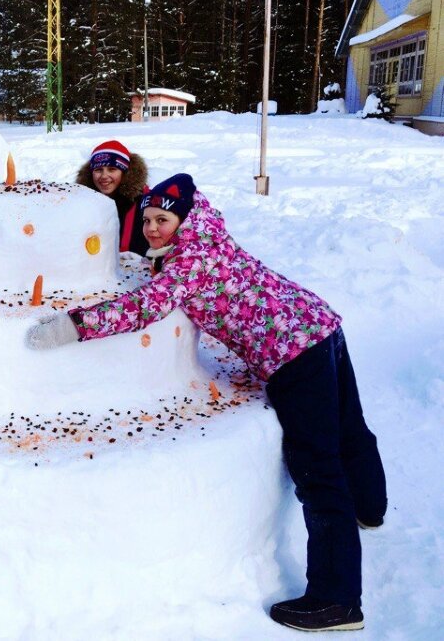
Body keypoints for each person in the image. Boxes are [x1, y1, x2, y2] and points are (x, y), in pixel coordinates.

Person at [26, 173, 387, 632]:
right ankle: (370, 508)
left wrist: (70, 326)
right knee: (350, 427)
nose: (153, 229)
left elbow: (142, 308)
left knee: (318, 468)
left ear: (185, 219)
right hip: (321, 325)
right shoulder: (208, 239)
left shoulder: (189, 263)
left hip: (292, 353)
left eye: (164, 219)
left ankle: (337, 601)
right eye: (148, 220)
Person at [75, 140, 149, 256]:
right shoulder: (83, 203)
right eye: (98, 170)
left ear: (125, 172)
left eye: (112, 169)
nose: (104, 176)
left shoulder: (145, 204)